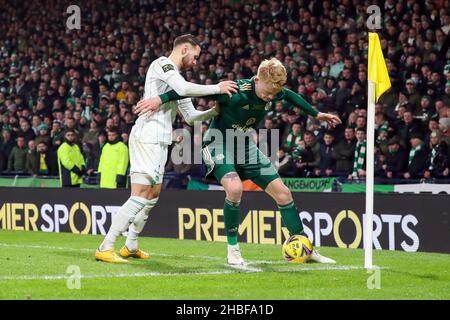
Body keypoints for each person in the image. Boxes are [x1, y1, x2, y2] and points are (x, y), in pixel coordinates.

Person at [138, 58, 341, 265]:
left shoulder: (274, 89)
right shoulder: (234, 90)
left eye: (273, 94)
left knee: (284, 193)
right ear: (258, 80)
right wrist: (159, 100)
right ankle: (233, 250)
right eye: (268, 92)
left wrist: (317, 114)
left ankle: (306, 248)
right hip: (217, 143)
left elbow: (290, 96)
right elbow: (187, 91)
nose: (270, 97)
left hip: (245, 146)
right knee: (234, 189)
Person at [95, 34, 238, 263]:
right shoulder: (162, 64)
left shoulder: (176, 79)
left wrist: (214, 111)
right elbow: (183, 88)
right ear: (184, 49)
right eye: (195, 56)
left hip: (161, 141)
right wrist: (218, 87)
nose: (196, 62)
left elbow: (191, 117)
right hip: (147, 137)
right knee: (140, 194)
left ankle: (130, 245)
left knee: (152, 195)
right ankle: (106, 246)